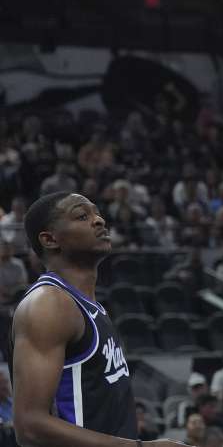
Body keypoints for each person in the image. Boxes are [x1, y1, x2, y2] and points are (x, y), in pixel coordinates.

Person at [10, 191, 187, 446]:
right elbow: (30, 426)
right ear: (50, 239)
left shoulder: (88, 306)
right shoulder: (49, 305)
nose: (99, 220)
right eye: (82, 216)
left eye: (97, 213)